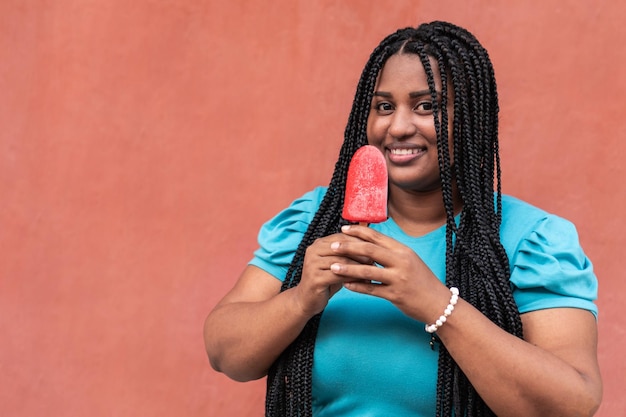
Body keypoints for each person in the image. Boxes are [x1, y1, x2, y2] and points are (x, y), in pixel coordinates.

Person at [204, 21, 602, 417]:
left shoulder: (530, 239)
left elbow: (571, 404)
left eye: (426, 106)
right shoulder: (315, 220)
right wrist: (300, 300)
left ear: (470, 118)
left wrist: (437, 305)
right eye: (384, 107)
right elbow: (225, 354)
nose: (397, 127)